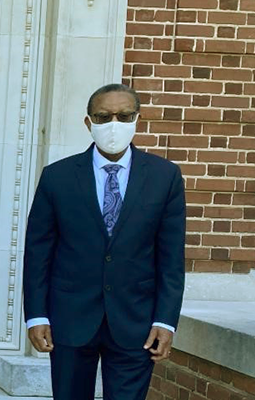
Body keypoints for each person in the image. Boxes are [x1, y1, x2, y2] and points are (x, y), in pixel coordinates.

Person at [23, 83, 186, 400]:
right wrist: (37, 315)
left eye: (124, 116)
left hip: (135, 322)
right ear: (89, 122)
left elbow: (171, 259)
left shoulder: (164, 177)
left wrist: (165, 321)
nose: (114, 124)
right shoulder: (57, 177)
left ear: (137, 119)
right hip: (70, 319)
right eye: (104, 116)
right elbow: (38, 253)